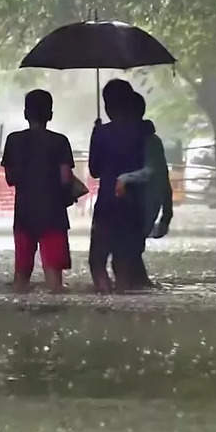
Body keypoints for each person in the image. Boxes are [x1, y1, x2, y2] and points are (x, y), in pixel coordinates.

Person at [0, 89, 75, 293]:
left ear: (26, 113)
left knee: (21, 277)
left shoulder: (13, 140)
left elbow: (10, 178)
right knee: (54, 281)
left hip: (24, 213)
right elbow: (66, 178)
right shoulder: (60, 141)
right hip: (53, 214)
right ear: (50, 114)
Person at [88, 79, 147, 293]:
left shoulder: (102, 133)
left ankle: (106, 300)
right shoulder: (143, 133)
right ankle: (123, 299)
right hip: (133, 204)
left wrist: (95, 134)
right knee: (123, 263)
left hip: (107, 203)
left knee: (97, 262)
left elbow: (95, 170)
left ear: (107, 105)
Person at [114, 92, 173, 287]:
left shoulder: (150, 141)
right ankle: (140, 289)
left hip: (145, 206)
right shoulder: (130, 140)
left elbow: (156, 172)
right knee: (128, 256)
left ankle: (135, 290)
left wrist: (166, 217)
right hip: (135, 207)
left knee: (127, 255)